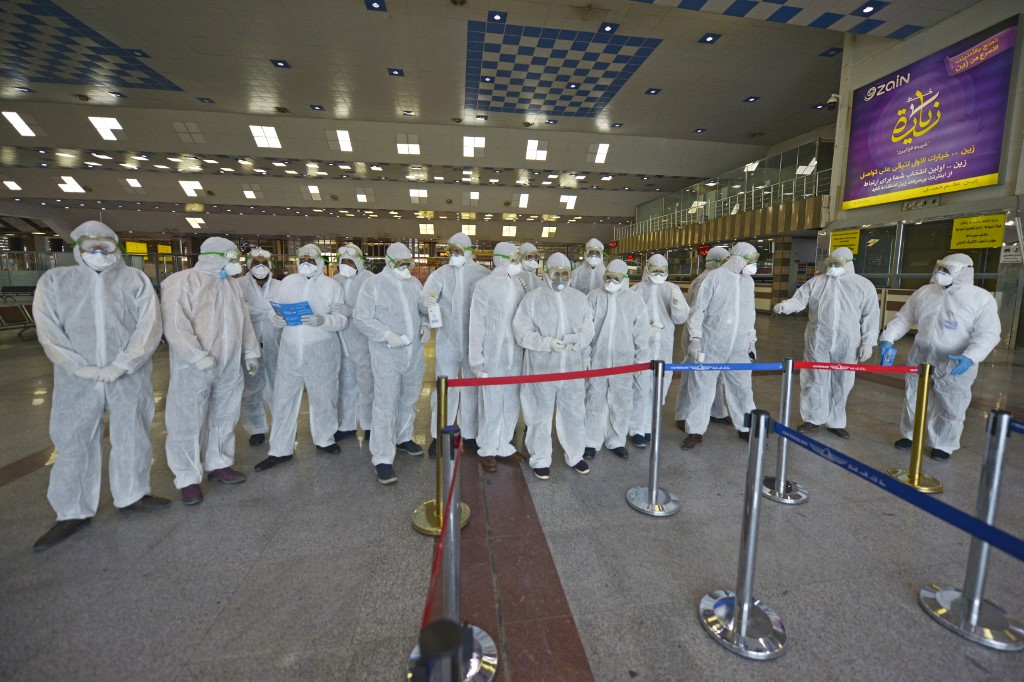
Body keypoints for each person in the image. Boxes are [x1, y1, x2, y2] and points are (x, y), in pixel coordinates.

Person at [31, 221, 167, 551]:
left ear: (117, 247)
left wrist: (124, 363)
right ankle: (71, 510)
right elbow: (48, 329)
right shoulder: (56, 281)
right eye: (91, 246)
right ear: (78, 248)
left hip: (128, 375)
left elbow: (149, 326)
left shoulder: (134, 280)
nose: (99, 253)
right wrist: (79, 366)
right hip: (77, 379)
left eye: (106, 246)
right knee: (74, 439)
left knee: (132, 433)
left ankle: (133, 494)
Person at [163, 237, 260, 505]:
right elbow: (175, 325)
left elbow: (244, 322)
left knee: (225, 415)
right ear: (214, 256)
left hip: (229, 365)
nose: (236, 263)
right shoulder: (182, 282)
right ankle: (187, 478)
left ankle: (218, 463)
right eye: (231, 257)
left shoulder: (231, 285)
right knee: (187, 420)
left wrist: (251, 352)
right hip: (194, 367)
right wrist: (196, 356)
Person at [879, 253, 1000, 460]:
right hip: (921, 355)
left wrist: (971, 356)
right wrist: (888, 338)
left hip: (955, 359)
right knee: (913, 397)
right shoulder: (925, 292)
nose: (941, 273)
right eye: (941, 268)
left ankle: (943, 444)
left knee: (951, 402)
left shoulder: (980, 298)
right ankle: (910, 434)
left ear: (963, 272)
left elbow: (988, 333)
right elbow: (904, 318)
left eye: (947, 269)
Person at [256, 244, 347, 472]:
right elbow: (272, 308)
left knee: (323, 396)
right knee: (283, 398)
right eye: (302, 258)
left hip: (321, 351)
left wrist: (323, 320)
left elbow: (342, 319)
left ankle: (325, 439)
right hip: (289, 351)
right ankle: (280, 449)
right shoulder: (288, 282)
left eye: (311, 259)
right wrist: (274, 318)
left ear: (320, 262)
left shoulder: (331, 286)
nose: (306, 262)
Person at [773, 247, 880, 438]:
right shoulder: (816, 282)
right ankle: (812, 418)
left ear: (848, 263)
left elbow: (871, 315)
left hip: (848, 341)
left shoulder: (862, 285)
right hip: (818, 338)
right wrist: (785, 306)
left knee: (843, 380)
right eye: (831, 263)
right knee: (814, 377)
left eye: (837, 264)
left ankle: (836, 422)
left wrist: (868, 342)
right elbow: (799, 300)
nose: (833, 267)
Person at [513, 252, 595, 479]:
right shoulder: (533, 298)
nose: (561, 278)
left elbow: (589, 327)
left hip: (571, 367)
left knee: (574, 413)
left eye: (565, 273)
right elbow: (521, 332)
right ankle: (540, 457)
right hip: (542, 367)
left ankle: (575, 455)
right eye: (556, 273)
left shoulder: (579, 298)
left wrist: (580, 339)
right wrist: (547, 343)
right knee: (539, 414)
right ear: (546, 272)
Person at [355, 242, 428, 484]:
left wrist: (425, 326)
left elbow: (420, 311)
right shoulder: (373, 285)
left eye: (409, 263)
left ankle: (403, 436)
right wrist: (386, 335)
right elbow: (361, 317)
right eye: (400, 264)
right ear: (388, 262)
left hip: (413, 353)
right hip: (387, 354)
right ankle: (383, 458)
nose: (405, 268)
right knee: (385, 403)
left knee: (410, 397)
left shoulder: (414, 284)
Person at [681, 242, 759, 449]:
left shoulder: (748, 282)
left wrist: (751, 339)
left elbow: (750, 313)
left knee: (743, 389)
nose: (753, 266)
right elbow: (698, 310)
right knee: (701, 389)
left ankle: (746, 428)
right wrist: (695, 338)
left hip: (738, 348)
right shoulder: (714, 278)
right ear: (739, 258)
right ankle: (695, 431)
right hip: (711, 344)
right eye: (750, 261)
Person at [421, 232, 489, 456]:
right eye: (451, 250)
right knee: (444, 389)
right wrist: (428, 303)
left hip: (473, 343)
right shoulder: (440, 274)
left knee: (471, 389)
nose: (454, 255)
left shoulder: (482, 274)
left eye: (459, 250)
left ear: (469, 251)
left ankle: (470, 435)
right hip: (447, 340)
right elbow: (425, 300)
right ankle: (439, 436)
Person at [584, 259, 650, 460]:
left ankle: (616, 440)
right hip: (598, 357)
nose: (611, 281)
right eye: (608, 277)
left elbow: (641, 332)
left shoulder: (634, 300)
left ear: (625, 279)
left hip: (624, 359)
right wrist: (584, 354)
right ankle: (591, 441)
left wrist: (642, 358)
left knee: (621, 400)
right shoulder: (594, 297)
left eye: (616, 278)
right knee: (594, 399)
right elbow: (585, 329)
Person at [468, 242, 526, 472]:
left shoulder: (518, 285)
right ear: (502, 259)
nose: (518, 263)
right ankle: (488, 448)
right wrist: (476, 359)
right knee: (490, 402)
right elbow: (476, 323)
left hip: (515, 354)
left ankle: (504, 445)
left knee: (511, 401)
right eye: (514, 259)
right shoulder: (484, 285)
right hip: (492, 355)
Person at [629, 254, 689, 447]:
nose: (658, 274)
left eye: (662, 271)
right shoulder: (636, 290)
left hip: (664, 346)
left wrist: (678, 305)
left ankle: (649, 426)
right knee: (640, 387)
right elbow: (629, 319)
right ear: (647, 269)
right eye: (655, 270)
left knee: (659, 388)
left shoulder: (673, 289)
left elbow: (680, 319)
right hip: (641, 346)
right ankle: (636, 429)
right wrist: (645, 329)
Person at [675, 246, 730, 429]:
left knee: (716, 375)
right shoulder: (703, 280)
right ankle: (682, 415)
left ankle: (717, 411)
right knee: (692, 376)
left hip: (714, 336)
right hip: (698, 335)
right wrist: (695, 338)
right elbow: (696, 312)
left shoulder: (720, 279)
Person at [332, 243, 375, 442]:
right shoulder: (335, 280)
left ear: (359, 261)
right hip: (342, 341)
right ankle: (346, 425)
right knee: (346, 385)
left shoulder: (370, 280)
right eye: (343, 261)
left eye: (350, 261)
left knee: (367, 385)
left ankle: (369, 425)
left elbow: (376, 310)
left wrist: (353, 312)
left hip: (365, 341)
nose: (346, 265)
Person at [240, 248, 282, 446]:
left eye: (264, 263)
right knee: (251, 387)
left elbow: (282, 309)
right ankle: (256, 428)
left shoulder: (280, 286)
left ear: (270, 265)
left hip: (276, 343)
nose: (260, 267)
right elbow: (239, 311)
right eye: (256, 263)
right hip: (249, 344)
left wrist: (253, 308)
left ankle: (282, 426)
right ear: (249, 265)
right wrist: (268, 309)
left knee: (279, 386)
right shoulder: (238, 286)